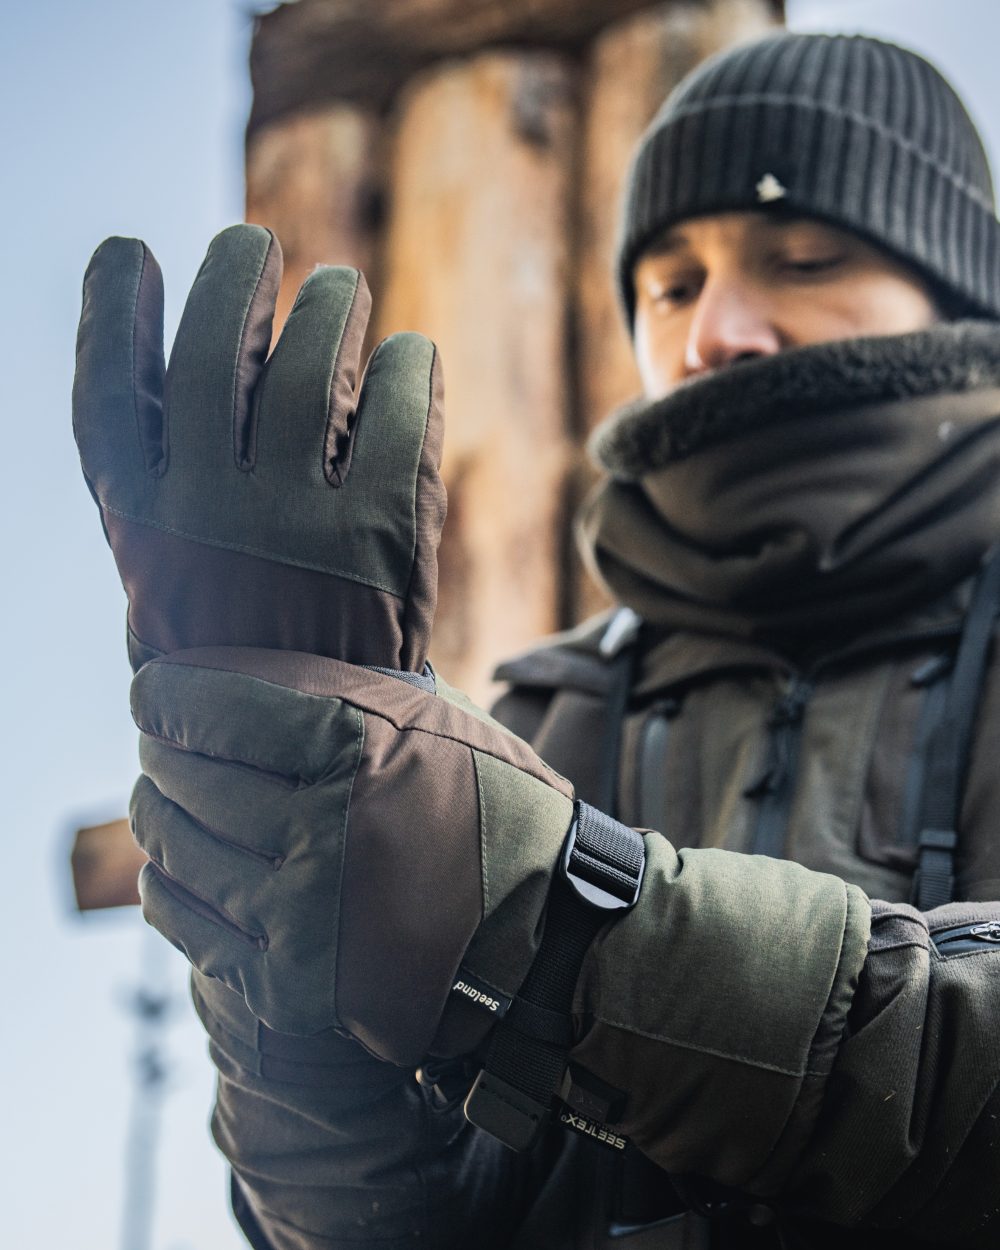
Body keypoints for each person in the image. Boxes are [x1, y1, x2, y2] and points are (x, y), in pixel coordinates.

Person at [72, 30, 1000, 1250]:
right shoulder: (543, 719)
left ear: (958, 297)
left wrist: (557, 924)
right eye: (670, 285)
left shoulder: (501, 810)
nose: (715, 331)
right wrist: (288, 959)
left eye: (804, 259)